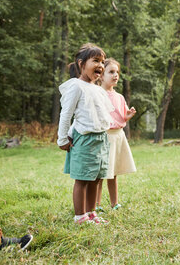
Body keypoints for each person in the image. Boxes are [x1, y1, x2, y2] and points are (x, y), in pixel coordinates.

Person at [57, 43, 114, 225]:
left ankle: (91, 213)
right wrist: (63, 138)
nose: (101, 65)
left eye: (103, 62)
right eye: (95, 60)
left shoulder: (99, 90)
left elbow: (100, 115)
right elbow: (67, 115)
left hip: (101, 139)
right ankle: (79, 216)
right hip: (85, 139)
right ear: (81, 64)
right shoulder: (76, 86)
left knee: (96, 178)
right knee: (82, 178)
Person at [95, 58, 137, 211]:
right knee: (99, 173)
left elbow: (121, 116)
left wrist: (128, 116)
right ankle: (96, 204)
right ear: (101, 75)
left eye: (117, 72)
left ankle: (114, 204)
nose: (115, 75)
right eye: (111, 72)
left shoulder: (119, 97)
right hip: (104, 136)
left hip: (118, 137)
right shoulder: (98, 94)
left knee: (113, 173)